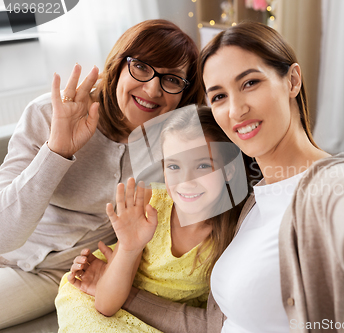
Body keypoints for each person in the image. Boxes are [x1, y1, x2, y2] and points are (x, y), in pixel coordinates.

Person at [71, 21, 344, 333]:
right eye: (219, 95)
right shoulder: (249, 197)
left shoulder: (335, 187)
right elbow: (214, 323)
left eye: (250, 83)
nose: (235, 110)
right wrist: (123, 289)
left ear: (292, 80)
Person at [0, 19, 203, 329]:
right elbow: (5, 234)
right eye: (142, 67)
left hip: (57, 273)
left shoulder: (175, 147)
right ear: (119, 64)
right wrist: (57, 150)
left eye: (172, 80)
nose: (152, 88)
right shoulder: (48, 114)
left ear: (183, 94)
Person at [55, 106, 250, 332]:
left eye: (203, 165)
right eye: (174, 166)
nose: (186, 181)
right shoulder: (150, 202)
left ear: (228, 170)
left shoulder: (236, 232)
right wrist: (129, 247)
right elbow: (105, 305)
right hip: (104, 294)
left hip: (162, 319)